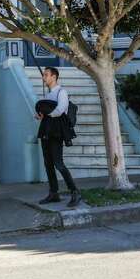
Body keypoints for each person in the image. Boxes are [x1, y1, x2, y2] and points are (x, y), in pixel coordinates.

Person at [35, 67, 81, 208]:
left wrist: (47, 114)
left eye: (46, 75)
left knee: (58, 164)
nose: (44, 77)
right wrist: (41, 115)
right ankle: (54, 193)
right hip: (46, 132)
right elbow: (47, 113)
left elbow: (60, 110)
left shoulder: (62, 92)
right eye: (43, 75)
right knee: (48, 164)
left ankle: (75, 192)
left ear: (54, 77)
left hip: (56, 133)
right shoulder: (49, 95)